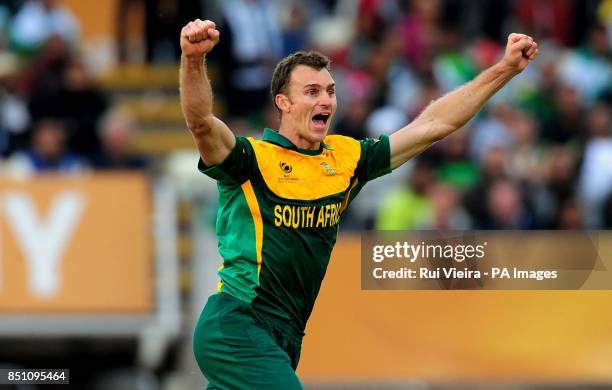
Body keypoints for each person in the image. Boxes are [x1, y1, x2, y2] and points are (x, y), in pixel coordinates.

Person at [180, 19, 538, 389]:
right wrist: (193, 60)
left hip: (286, 335)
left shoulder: (346, 158)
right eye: (312, 91)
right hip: (239, 323)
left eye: (331, 91)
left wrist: (504, 69)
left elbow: (433, 125)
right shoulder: (251, 158)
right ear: (283, 103)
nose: (325, 101)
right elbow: (203, 124)